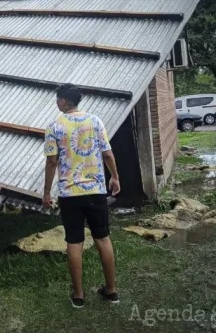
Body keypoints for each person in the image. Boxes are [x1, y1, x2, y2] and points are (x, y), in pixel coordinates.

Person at [43, 84, 121, 309]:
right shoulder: (95, 121)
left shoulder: (54, 126)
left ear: (64, 101)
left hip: (69, 194)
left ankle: (78, 295)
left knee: (74, 242)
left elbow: (51, 162)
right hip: (96, 191)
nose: (57, 102)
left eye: (58, 99)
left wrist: (47, 192)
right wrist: (115, 177)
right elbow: (107, 153)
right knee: (103, 239)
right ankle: (111, 291)